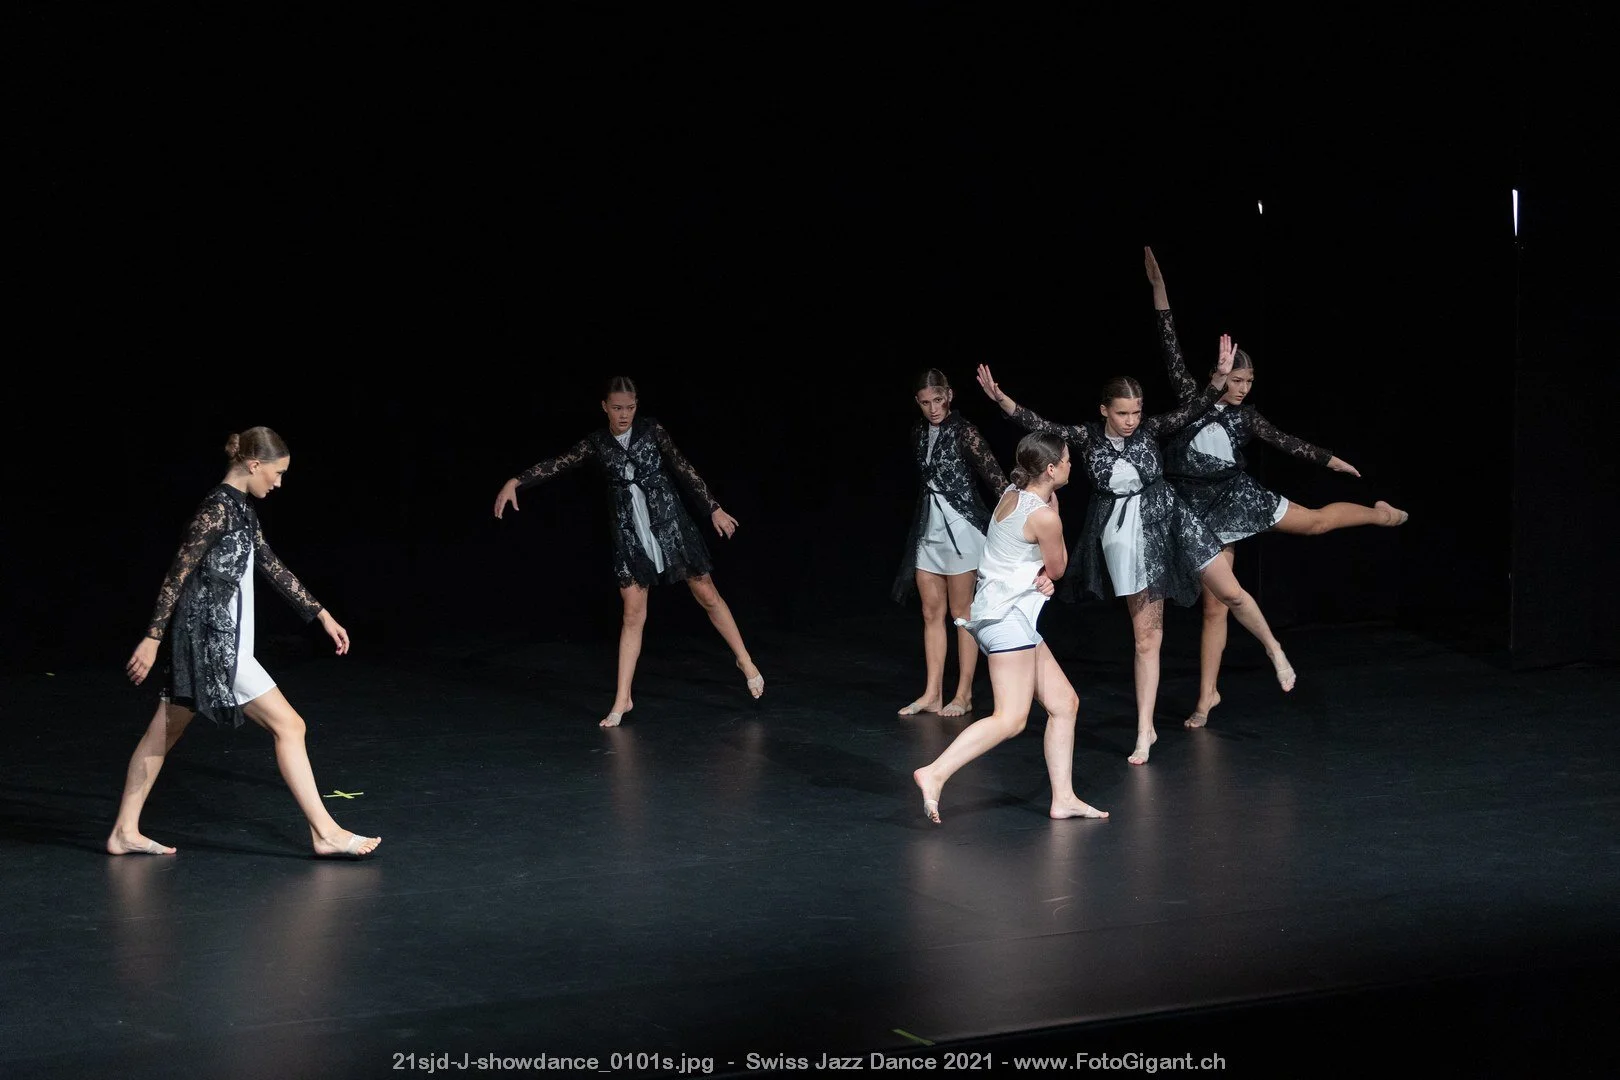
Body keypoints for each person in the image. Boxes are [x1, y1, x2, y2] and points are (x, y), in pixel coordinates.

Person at [978, 345, 1294, 766]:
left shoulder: (1150, 430)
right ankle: (1146, 730)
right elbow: (1041, 425)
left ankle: (1273, 648)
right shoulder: (1088, 438)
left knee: (1231, 592)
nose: (1131, 421)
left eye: (1137, 413)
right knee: (1147, 639)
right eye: (1123, 413)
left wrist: (1219, 378)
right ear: (1105, 410)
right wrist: (1002, 399)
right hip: (1126, 537)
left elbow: (1194, 408)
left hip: (1172, 519)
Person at [1145, 246, 1407, 726]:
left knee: (1317, 524)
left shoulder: (1247, 417)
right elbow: (1169, 343)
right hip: (1200, 511)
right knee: (1215, 606)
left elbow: (1286, 442)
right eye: (1237, 380)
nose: (1244, 388)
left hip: (1239, 497)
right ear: (1219, 375)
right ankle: (1207, 697)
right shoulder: (1191, 398)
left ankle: (1379, 513)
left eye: (1250, 381)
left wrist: (1330, 459)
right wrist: (1159, 288)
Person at [112, 427, 380, 858]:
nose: (279, 482)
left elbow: (271, 566)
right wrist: (152, 636)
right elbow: (177, 573)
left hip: (214, 641)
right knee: (290, 726)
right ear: (254, 464)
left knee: (163, 732)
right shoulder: (216, 509)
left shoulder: (242, 511)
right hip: (214, 643)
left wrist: (321, 614)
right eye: (278, 472)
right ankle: (326, 833)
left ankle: (124, 831)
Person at [493, 376, 763, 727]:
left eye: (630, 408)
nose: (624, 415)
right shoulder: (597, 443)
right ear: (604, 407)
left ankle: (744, 660)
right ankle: (623, 698)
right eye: (617, 408)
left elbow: (683, 468)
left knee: (706, 593)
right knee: (633, 613)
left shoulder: (652, 430)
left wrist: (713, 508)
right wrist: (516, 481)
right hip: (630, 532)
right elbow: (558, 463)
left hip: (668, 522)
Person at [911, 432, 1107, 824]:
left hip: (1006, 614)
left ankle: (1064, 798)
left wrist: (1042, 572)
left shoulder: (1012, 493)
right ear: (1050, 469)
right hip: (1005, 620)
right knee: (1011, 718)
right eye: (1066, 459)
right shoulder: (1044, 516)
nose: (1071, 464)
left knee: (1064, 703)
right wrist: (1048, 571)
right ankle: (934, 772)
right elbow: (1058, 568)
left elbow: (1025, 557)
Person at [892, 369, 1008, 718]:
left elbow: (995, 478)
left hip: (963, 530)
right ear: (917, 402)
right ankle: (932, 693)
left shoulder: (965, 431)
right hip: (929, 529)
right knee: (930, 612)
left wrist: (1026, 509)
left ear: (949, 396)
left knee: (962, 614)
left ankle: (964, 694)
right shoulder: (917, 432)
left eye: (938, 400)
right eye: (925, 402)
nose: (933, 409)